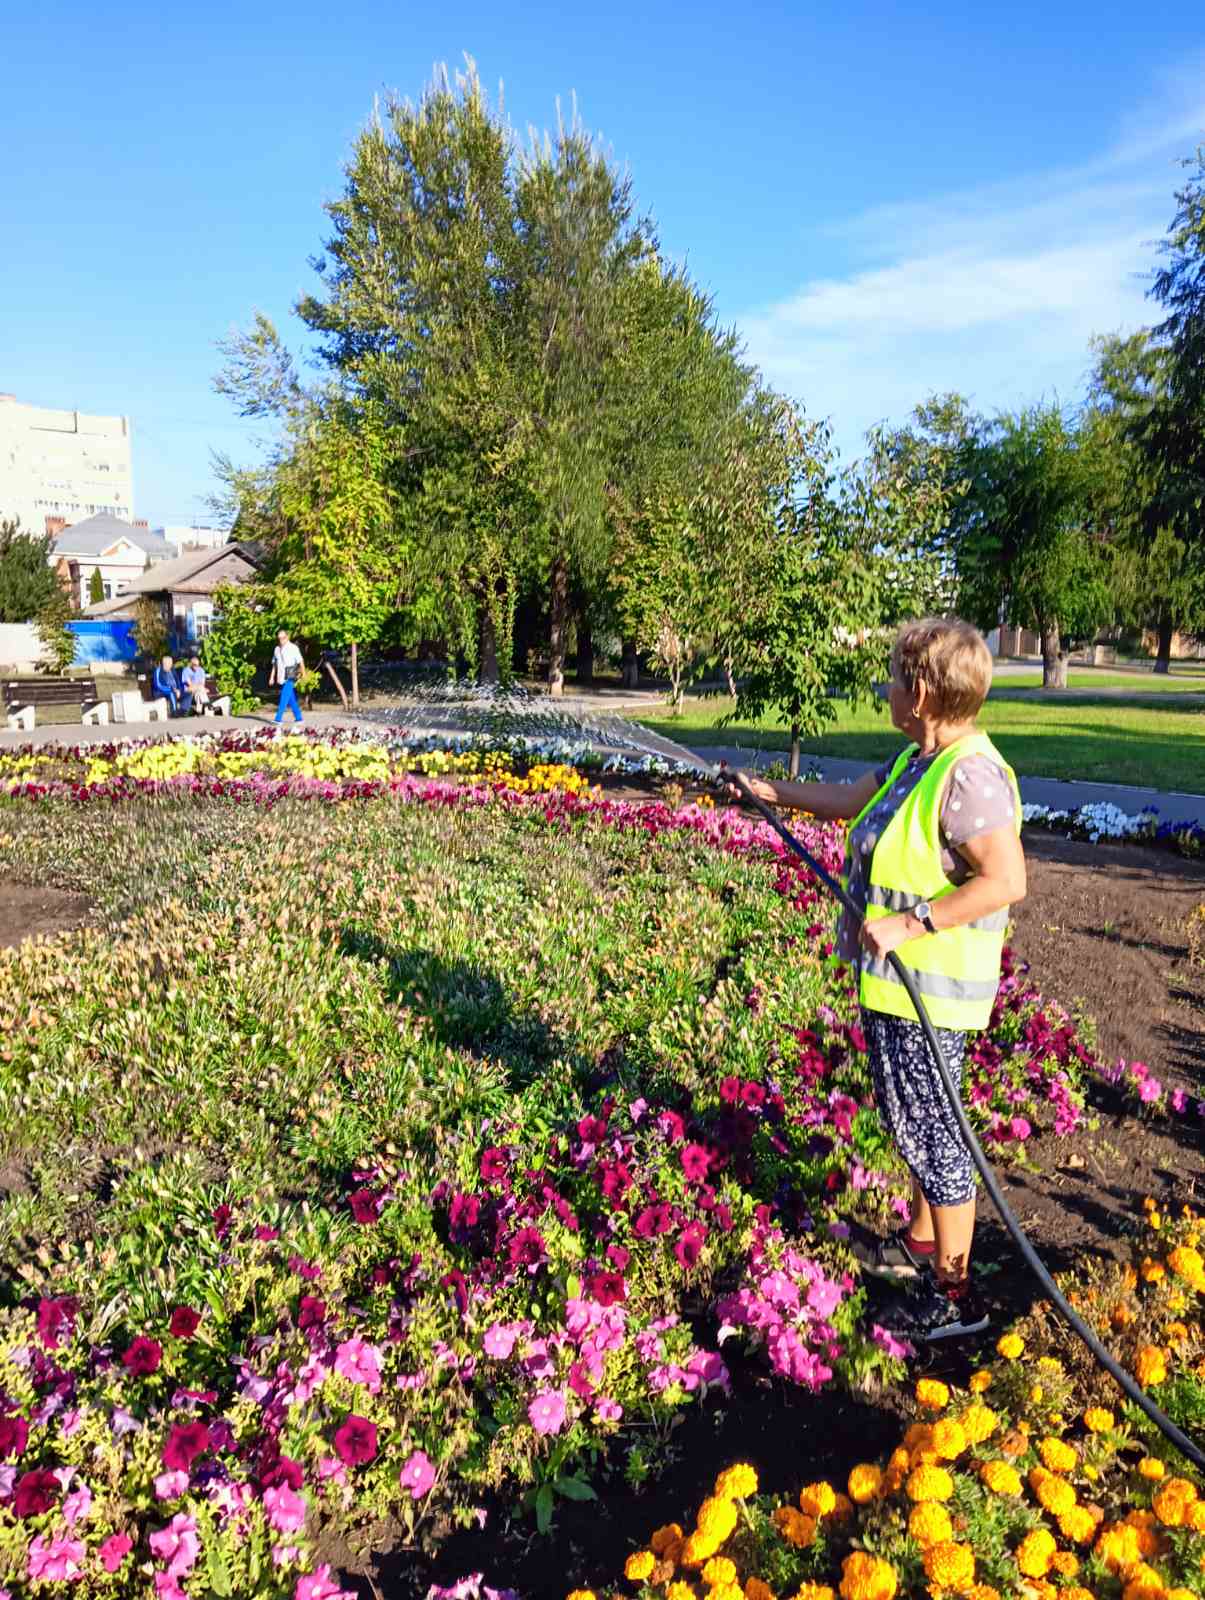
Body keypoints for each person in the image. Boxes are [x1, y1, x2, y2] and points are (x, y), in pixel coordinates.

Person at [736, 617, 1026, 1341]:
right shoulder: (915, 761)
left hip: (931, 991)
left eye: (894, 681)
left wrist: (912, 922)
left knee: (936, 1138)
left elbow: (1005, 879)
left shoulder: (969, 774)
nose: (886, 692)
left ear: (920, 693)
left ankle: (956, 1297)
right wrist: (766, 792)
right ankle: (922, 1248)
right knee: (914, 1124)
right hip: (898, 987)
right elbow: (848, 802)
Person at [270, 629, 305, 727]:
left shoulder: (293, 648)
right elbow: (274, 664)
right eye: (279, 638)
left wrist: (303, 674)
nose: (281, 640)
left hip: (291, 675)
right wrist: (271, 677)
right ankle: (299, 717)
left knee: (284, 696)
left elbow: (300, 661)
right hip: (281, 675)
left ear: (287, 637)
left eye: (283, 638)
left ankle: (278, 718)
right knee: (291, 698)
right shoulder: (276, 649)